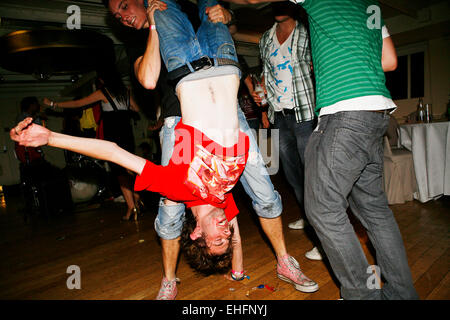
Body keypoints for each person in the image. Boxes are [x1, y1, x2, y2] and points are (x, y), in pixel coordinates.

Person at [105, 0, 318, 299]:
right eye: (117, 16)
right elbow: (148, 78)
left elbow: (226, 29)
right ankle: (169, 280)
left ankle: (284, 261)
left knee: (264, 192)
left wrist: (229, 16)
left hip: (227, 111)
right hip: (179, 122)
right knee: (170, 211)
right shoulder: (137, 39)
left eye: (125, 6)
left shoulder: (189, 10)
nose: (124, 17)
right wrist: (153, 25)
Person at [227, 0, 419, 300]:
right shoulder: (369, 6)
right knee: (375, 211)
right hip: (377, 113)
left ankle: (361, 295)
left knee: (323, 208)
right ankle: (402, 294)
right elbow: (390, 61)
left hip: (345, 113)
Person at [256, 1, 321, 260]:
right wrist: (263, 108)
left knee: (313, 176)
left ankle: (322, 239)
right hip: (279, 116)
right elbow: (265, 76)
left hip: (305, 113)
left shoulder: (307, 31)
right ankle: (308, 219)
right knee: (293, 176)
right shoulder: (265, 39)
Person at [42, 70, 143, 221]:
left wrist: (53, 104)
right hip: (126, 130)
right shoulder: (125, 91)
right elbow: (136, 109)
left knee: (119, 170)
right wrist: (123, 105)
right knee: (130, 165)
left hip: (113, 131)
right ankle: (136, 197)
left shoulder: (103, 92)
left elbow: (78, 103)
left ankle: (131, 207)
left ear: (103, 79)